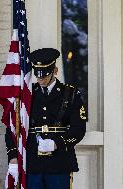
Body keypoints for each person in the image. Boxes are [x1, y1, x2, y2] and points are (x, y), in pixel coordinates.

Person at [5, 48, 87, 189]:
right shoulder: (27, 95)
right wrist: (13, 156)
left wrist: (57, 143)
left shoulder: (70, 94)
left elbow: (78, 128)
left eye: (44, 75)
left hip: (59, 163)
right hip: (31, 162)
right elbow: (13, 125)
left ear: (54, 71)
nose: (40, 79)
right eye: (38, 75)